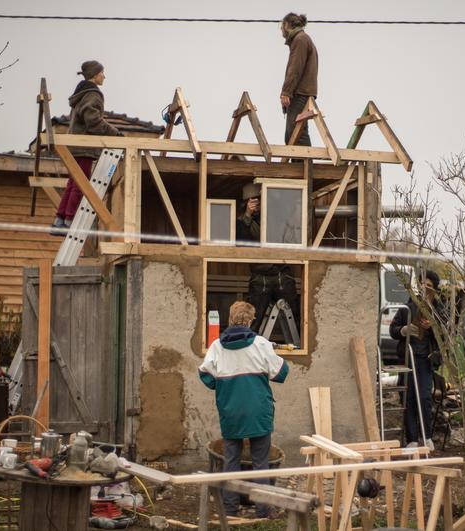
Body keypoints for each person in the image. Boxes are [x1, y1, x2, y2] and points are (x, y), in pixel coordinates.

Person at [198, 301, 289, 518]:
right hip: (258, 411)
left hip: (231, 411)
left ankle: (230, 509)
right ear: (249, 320)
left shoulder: (216, 347)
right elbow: (281, 373)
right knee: (260, 461)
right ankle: (263, 510)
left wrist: (222, 386)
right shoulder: (261, 344)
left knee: (231, 460)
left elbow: (205, 374)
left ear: (230, 318)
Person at [51, 60, 122, 232]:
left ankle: (60, 219)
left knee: (74, 182)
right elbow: (93, 121)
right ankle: (70, 220)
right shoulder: (93, 94)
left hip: (75, 146)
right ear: (95, 75)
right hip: (84, 147)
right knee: (81, 184)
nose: (104, 76)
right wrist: (115, 134)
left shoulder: (81, 94)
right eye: (102, 73)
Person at [389, 270, 445, 450]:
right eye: (423, 284)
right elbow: (393, 329)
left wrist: (434, 325)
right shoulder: (410, 305)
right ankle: (412, 439)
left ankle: (426, 436)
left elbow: (447, 334)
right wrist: (404, 330)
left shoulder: (438, 309)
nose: (425, 288)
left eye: (429, 286)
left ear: (434, 289)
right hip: (408, 357)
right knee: (408, 397)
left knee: (424, 397)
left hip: (426, 359)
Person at [235, 183, 301, 335]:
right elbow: (241, 244)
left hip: (281, 274)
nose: (256, 205)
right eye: (252, 201)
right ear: (246, 203)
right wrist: (247, 216)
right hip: (260, 276)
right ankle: (247, 348)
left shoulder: (277, 217)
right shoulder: (243, 222)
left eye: (259, 201)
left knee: (295, 317)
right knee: (252, 319)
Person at [280, 12, 318, 147]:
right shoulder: (302, 39)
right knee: (293, 133)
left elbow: (295, 69)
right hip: (303, 91)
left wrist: (286, 92)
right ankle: (300, 165)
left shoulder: (300, 39)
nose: (280, 30)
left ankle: (304, 166)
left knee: (296, 133)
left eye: (281, 26)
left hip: (300, 92)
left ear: (286, 25)